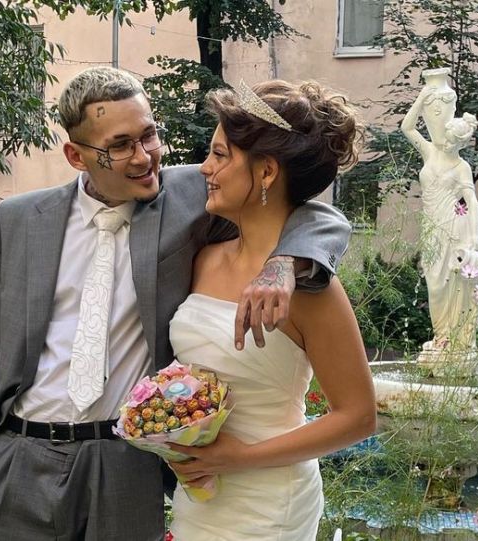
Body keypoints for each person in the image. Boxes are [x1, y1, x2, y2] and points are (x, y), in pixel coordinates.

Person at [0, 67, 351, 541]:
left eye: (149, 136)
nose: (144, 157)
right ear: (76, 156)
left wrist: (284, 262)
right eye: (120, 145)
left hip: (124, 466)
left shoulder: (190, 193)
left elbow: (308, 208)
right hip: (16, 458)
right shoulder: (17, 220)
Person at [165, 80, 377, 540]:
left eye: (219, 155)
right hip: (200, 495)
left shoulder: (310, 288)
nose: (204, 168)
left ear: (265, 173)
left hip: (270, 501)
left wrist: (239, 458)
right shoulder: (204, 256)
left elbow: (359, 416)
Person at [400, 74, 478, 358]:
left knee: (453, 284)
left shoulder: (462, 167)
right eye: (446, 139)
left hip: (454, 228)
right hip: (432, 228)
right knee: (434, 285)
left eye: (452, 142)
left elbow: (471, 201)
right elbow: (407, 127)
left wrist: (474, 237)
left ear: (460, 144)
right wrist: (422, 96)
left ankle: (454, 341)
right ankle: (442, 336)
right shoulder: (430, 152)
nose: (446, 143)